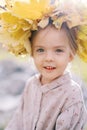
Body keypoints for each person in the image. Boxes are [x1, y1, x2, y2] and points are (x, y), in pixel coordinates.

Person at [0, 0, 87, 130]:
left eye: (58, 50)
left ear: (70, 55)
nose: (49, 58)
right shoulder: (31, 84)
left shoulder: (71, 94)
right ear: (32, 52)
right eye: (40, 50)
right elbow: (17, 121)